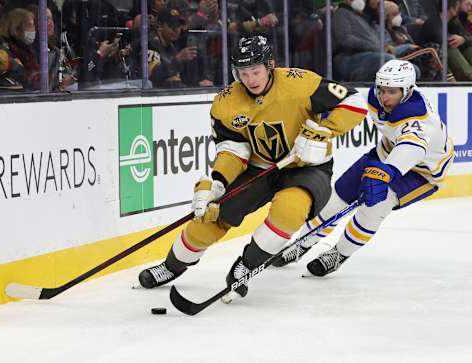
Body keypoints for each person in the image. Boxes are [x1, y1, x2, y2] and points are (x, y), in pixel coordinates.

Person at [137, 35, 368, 298]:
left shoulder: (300, 83)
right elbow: (233, 148)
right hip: (258, 168)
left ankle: (245, 267)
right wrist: (219, 181)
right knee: (209, 217)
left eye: (256, 71)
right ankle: (172, 266)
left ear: (270, 65)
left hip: (306, 168)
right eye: (243, 73)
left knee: (289, 211)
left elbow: (353, 102)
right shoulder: (226, 103)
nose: (250, 79)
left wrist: (320, 132)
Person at [274, 60, 454, 276]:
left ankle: (339, 254)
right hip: (384, 152)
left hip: (423, 172)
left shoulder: (419, 120)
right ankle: (303, 243)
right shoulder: (375, 97)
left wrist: (386, 174)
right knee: (336, 198)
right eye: (382, 89)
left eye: (392, 92)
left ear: (407, 91)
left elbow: (411, 148)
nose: (384, 97)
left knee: (376, 206)